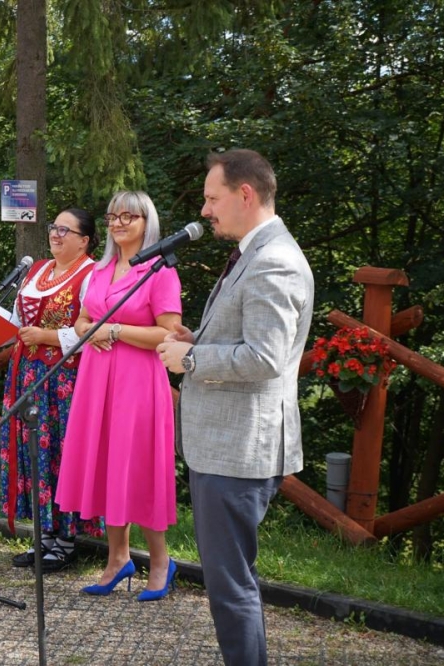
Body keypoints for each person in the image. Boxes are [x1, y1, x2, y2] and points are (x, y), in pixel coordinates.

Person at [158, 149, 314, 665]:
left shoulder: (274, 261)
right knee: (229, 582)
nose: (204, 210)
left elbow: (266, 358)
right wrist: (197, 339)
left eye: (212, 198)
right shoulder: (255, 251)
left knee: (230, 587)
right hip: (225, 445)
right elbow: (247, 339)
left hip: (240, 449)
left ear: (245, 194)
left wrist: (191, 359)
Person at [55, 191, 182, 601]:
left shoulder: (160, 271)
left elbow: (169, 334)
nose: (119, 223)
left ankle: (160, 562)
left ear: (148, 222)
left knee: (138, 468)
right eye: (113, 216)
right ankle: (117, 559)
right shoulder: (99, 270)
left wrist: (113, 331)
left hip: (137, 383)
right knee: (108, 465)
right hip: (96, 381)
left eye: (130, 216)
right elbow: (82, 320)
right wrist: (89, 330)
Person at [0, 209, 103, 571]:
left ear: (84, 240)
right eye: (54, 228)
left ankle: (66, 540)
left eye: (65, 230)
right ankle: (43, 537)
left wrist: (48, 336)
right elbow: (17, 327)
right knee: (32, 453)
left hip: (65, 380)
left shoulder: (92, 274)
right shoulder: (37, 270)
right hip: (26, 375)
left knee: (61, 453)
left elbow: (95, 330)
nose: (56, 234)